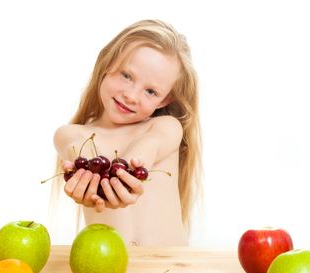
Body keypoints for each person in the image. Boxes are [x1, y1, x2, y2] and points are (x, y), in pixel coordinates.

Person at [52, 19, 202, 246]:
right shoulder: (71, 133)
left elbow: (149, 146)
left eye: (150, 91)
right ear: (106, 64)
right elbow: (74, 146)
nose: (131, 95)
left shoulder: (166, 126)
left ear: (166, 99)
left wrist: (128, 174)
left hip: (173, 268)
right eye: (126, 75)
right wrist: (86, 174)